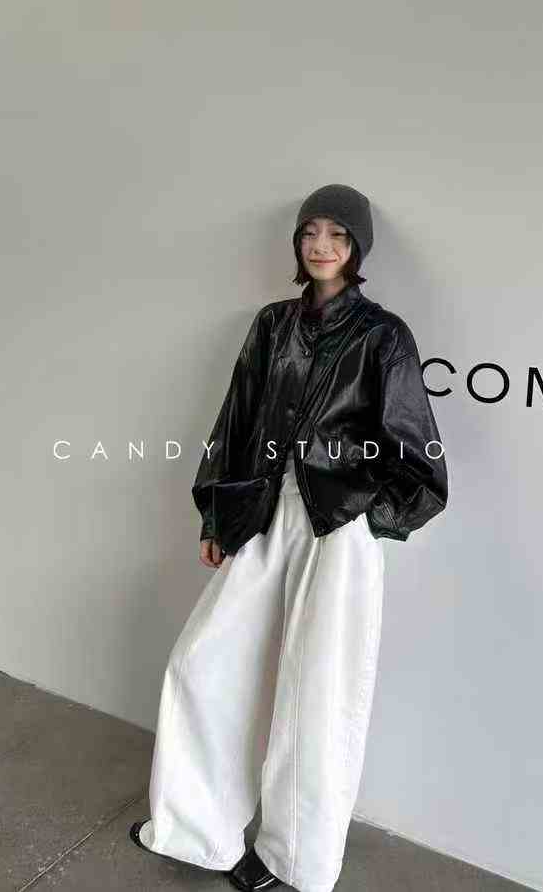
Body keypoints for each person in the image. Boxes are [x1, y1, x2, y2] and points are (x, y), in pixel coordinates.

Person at [129, 184, 448, 892]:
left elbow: (420, 458)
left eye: (337, 233)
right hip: (267, 513)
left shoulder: (384, 335)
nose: (321, 245)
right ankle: (197, 830)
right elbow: (236, 422)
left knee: (318, 692)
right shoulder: (273, 324)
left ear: (358, 246)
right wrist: (219, 516)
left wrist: (366, 516)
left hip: (340, 526)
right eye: (310, 232)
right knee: (203, 664)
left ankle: (295, 861)